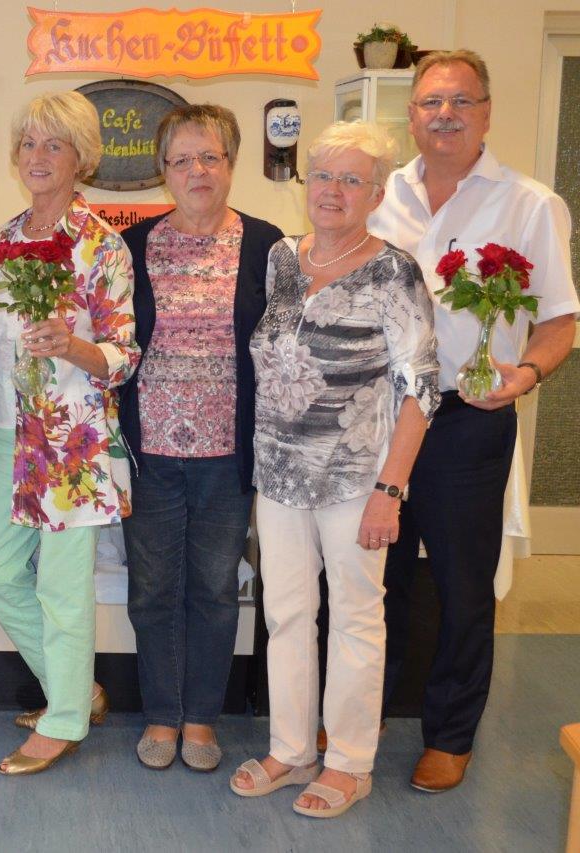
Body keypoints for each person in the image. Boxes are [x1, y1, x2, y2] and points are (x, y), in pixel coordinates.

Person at [370, 49, 579, 793]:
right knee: (373, 580)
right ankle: (358, 721)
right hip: (379, 421)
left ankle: (450, 734)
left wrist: (525, 373)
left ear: (487, 110)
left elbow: (560, 320)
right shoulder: (377, 193)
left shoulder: (529, 203)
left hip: (467, 420)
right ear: (412, 114)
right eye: (430, 102)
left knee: (462, 587)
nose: (445, 114)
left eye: (461, 101)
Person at [230, 121, 441, 818]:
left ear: (376, 193)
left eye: (353, 179)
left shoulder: (395, 270)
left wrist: (391, 488)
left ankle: (350, 761)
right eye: (324, 176)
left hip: (357, 478)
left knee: (356, 618)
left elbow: (421, 387)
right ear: (307, 183)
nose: (334, 191)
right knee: (287, 615)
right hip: (280, 473)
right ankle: (292, 748)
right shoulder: (282, 258)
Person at [0, 91, 139, 776]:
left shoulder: (101, 244)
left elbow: (124, 351)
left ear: (80, 159)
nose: (37, 158)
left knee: (63, 589)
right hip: (9, 433)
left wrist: (72, 346)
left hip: (71, 443)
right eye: (28, 145)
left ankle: (64, 716)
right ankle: (77, 688)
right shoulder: (8, 237)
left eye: (54, 146)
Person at [118, 104, 283, 772]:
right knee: (153, 589)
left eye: (209, 156)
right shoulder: (130, 246)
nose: (196, 171)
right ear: (164, 171)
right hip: (150, 450)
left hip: (228, 454)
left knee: (215, 588)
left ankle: (203, 721)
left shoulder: (271, 246)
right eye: (182, 159)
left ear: (231, 163)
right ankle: (161, 713)